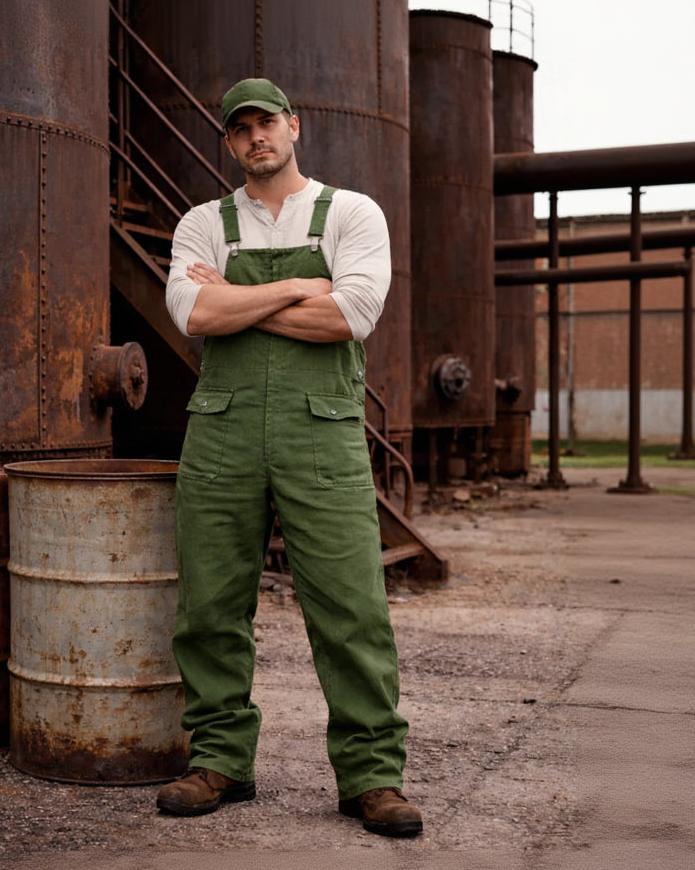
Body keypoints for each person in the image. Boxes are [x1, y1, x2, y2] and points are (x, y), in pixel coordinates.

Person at [159, 78, 422, 837]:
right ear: (229, 142)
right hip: (222, 427)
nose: (254, 138)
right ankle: (218, 762)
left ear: (293, 126)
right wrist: (300, 288)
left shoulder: (350, 212)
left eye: (265, 122)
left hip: (322, 430)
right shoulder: (201, 222)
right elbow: (196, 314)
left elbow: (348, 317)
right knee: (209, 603)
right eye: (238, 129)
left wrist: (243, 296)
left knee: (349, 606)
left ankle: (372, 777)